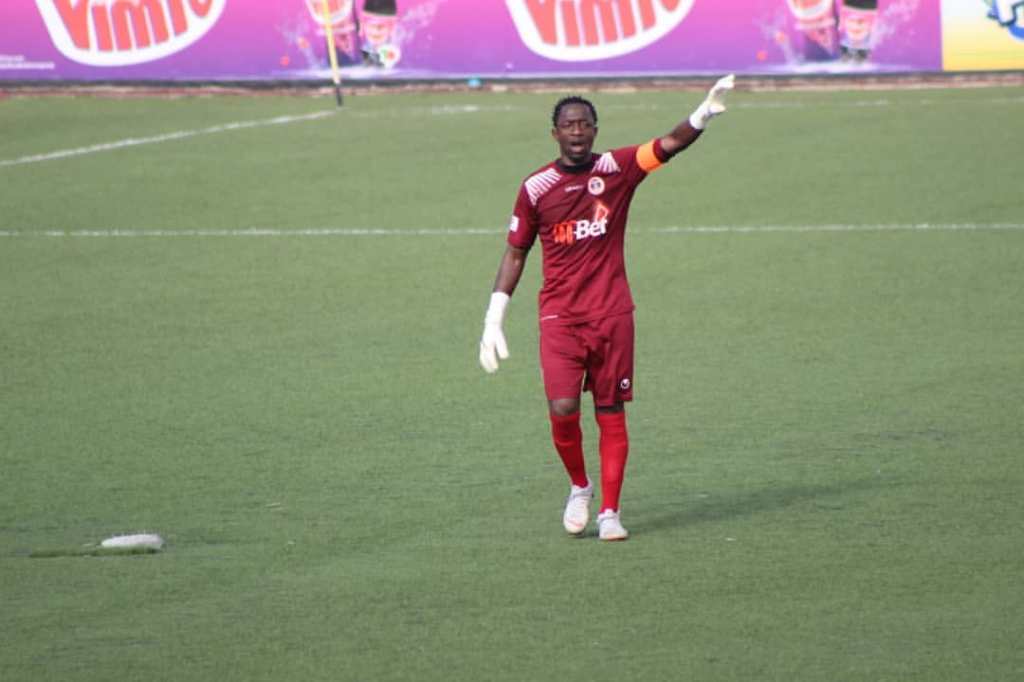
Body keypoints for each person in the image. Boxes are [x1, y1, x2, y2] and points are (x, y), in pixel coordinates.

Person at [478, 75, 735, 541]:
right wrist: (493, 318)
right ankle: (580, 486)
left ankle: (610, 513)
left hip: (613, 315)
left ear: (595, 130)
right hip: (559, 318)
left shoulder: (617, 169)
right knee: (562, 409)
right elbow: (516, 252)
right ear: (554, 133)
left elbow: (668, 145)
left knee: (611, 409)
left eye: (585, 124)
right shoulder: (536, 188)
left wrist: (702, 115)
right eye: (568, 125)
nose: (577, 131)